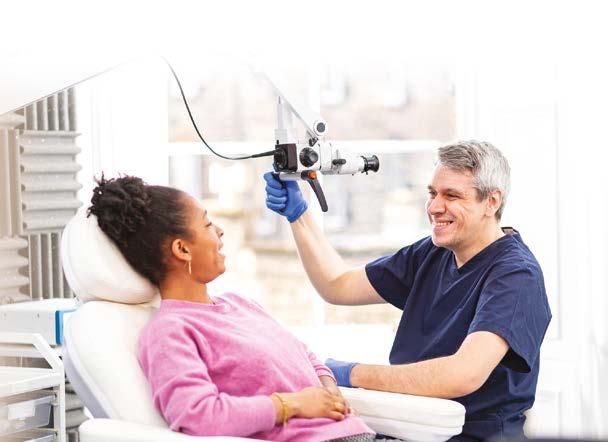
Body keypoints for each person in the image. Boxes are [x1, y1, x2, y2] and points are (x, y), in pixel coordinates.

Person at [263, 140, 552, 441]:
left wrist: (351, 373)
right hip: (411, 426)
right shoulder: (433, 253)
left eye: (451, 195)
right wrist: (299, 215)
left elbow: (464, 374)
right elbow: (337, 285)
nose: (434, 207)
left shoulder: (516, 275)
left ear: (491, 202)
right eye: (432, 193)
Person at [87, 174, 375, 442]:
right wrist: (293, 404)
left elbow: (304, 354)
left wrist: (329, 391)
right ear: (182, 249)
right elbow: (198, 416)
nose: (220, 231)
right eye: (207, 224)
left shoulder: (241, 304)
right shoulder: (169, 332)